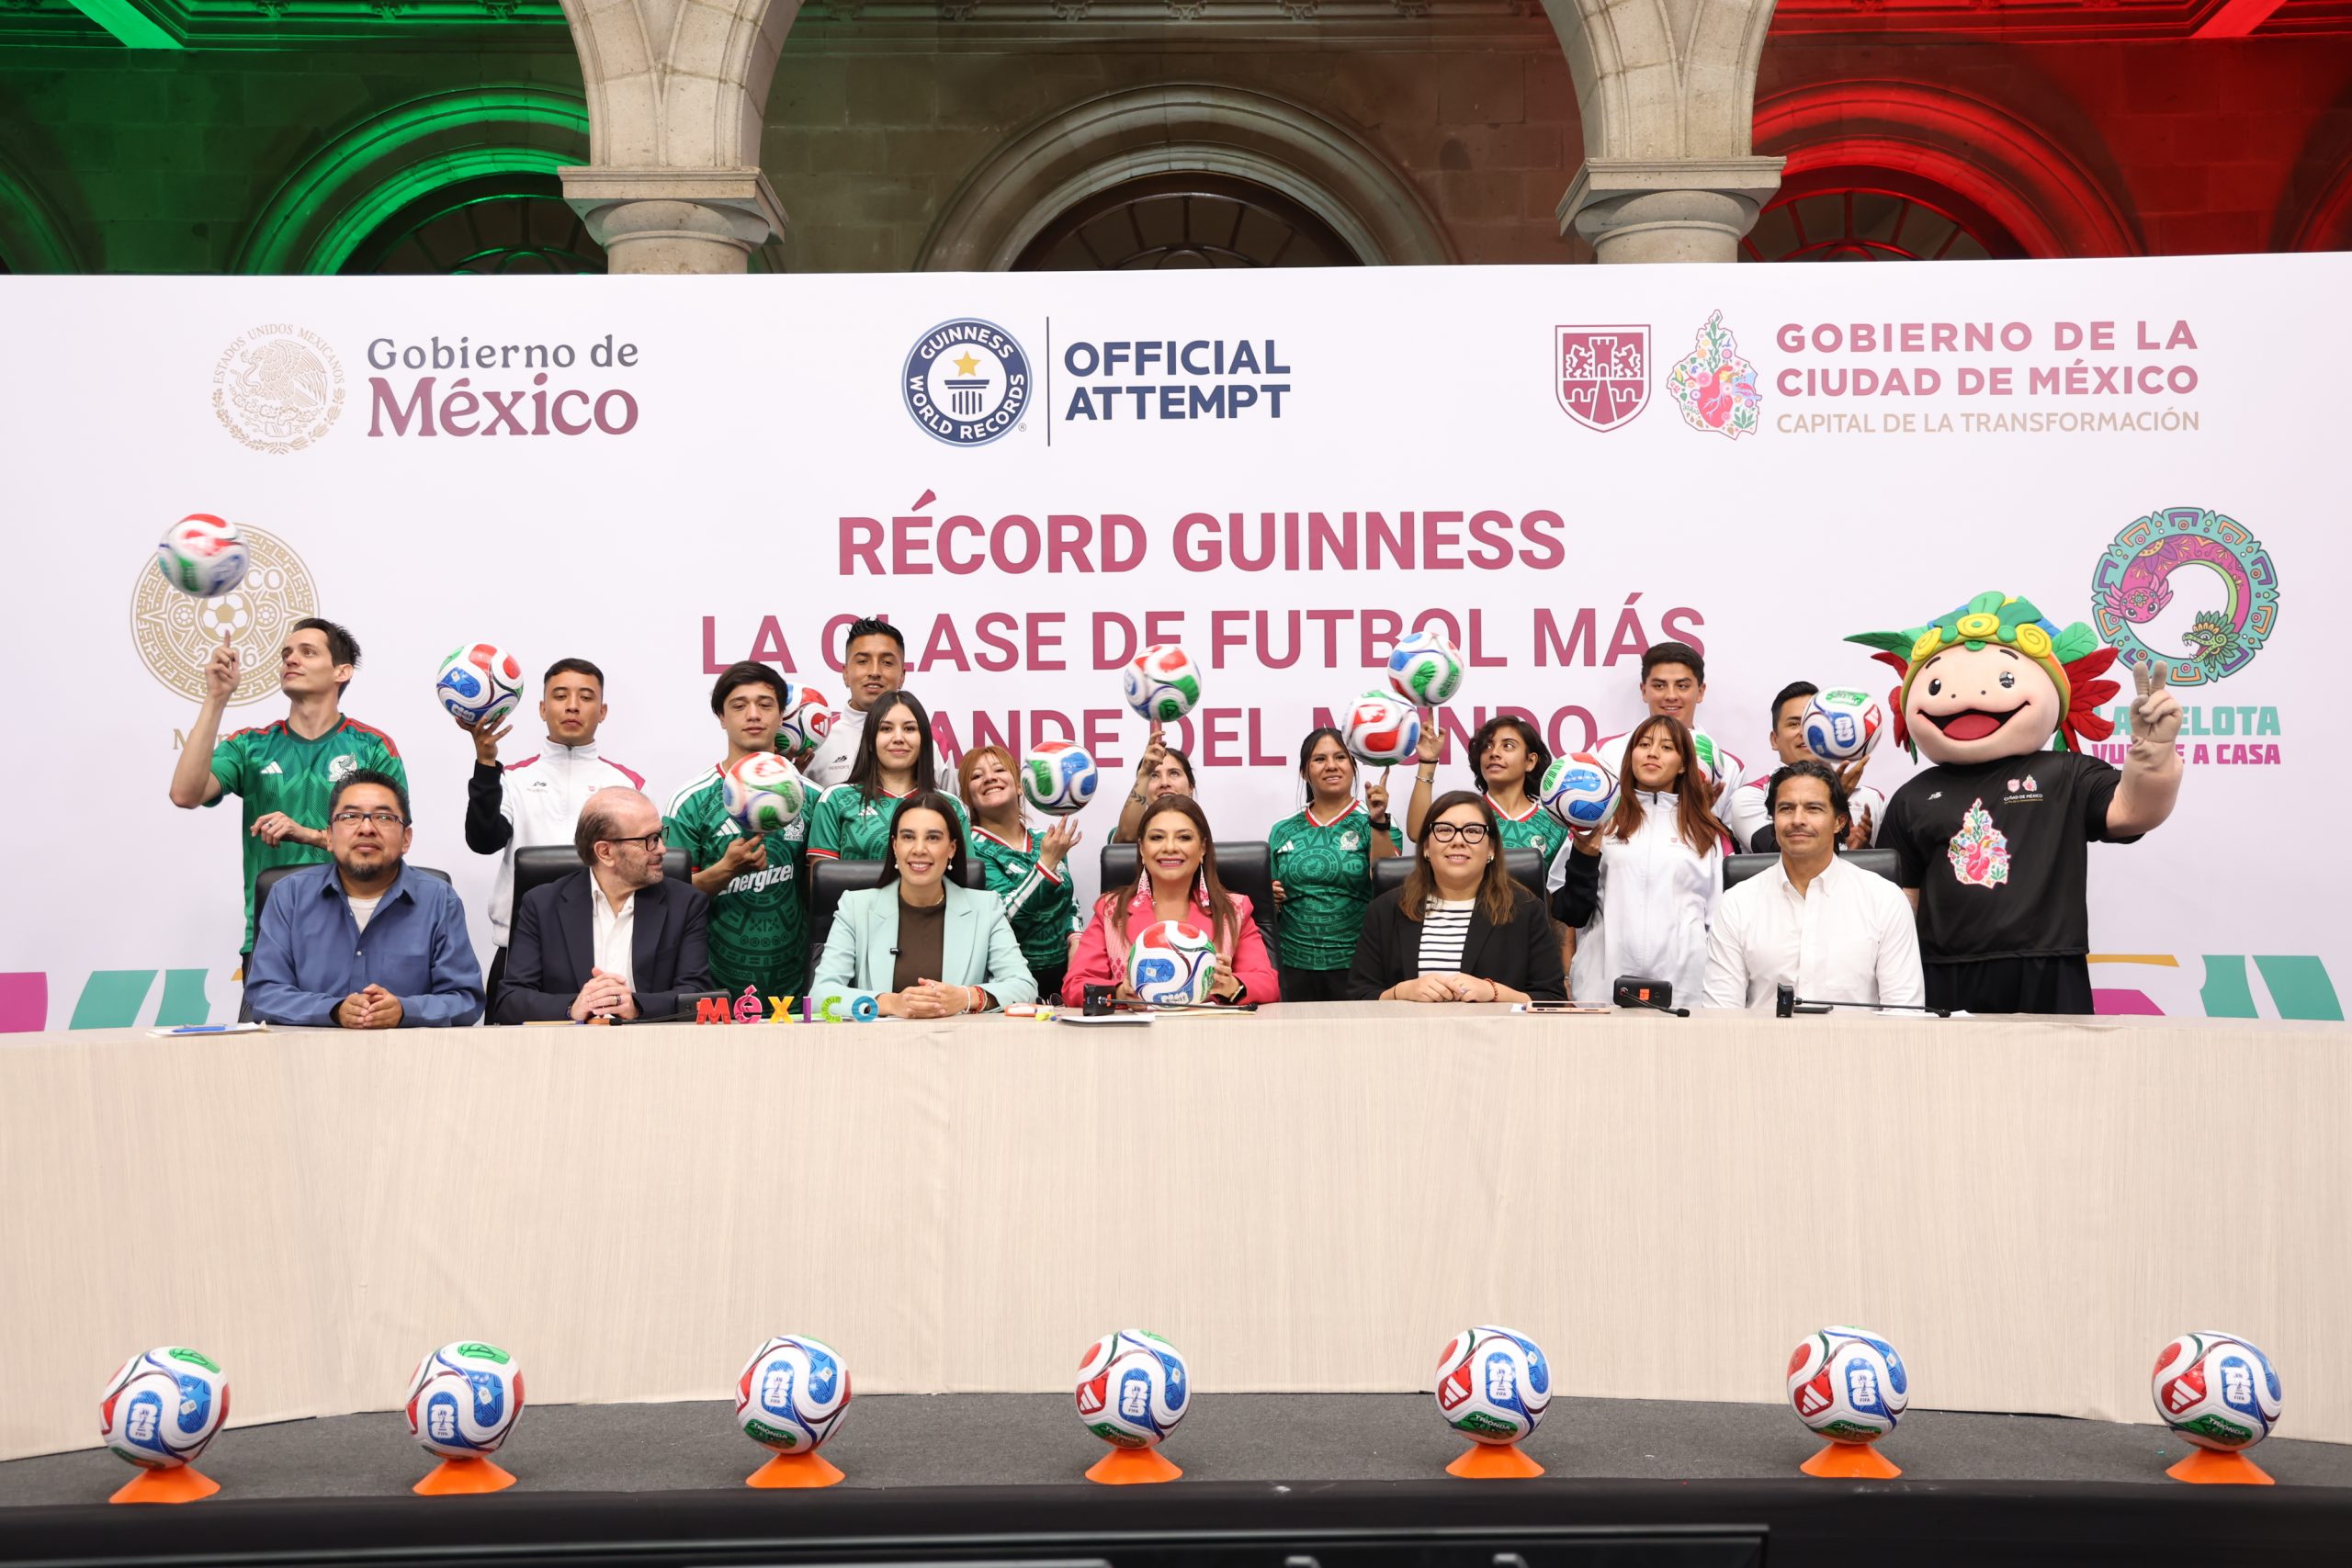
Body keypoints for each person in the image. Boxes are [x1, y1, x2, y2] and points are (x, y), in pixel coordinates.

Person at [1849, 590, 2179, 1015]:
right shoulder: (1913, 795)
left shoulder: (2067, 773)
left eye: (2006, 680)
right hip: (1943, 972)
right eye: (1936, 684)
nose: (1968, 697)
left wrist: (2152, 754)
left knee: (2058, 1079)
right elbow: (1901, 902)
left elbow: (2133, 813)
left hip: (2048, 967)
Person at [167, 616, 405, 968]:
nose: (291, 660)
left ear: (342, 672)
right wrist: (217, 698)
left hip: (359, 932)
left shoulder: (372, 746)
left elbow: (392, 841)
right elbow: (185, 794)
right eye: (287, 654)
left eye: (307, 652)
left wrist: (306, 834)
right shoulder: (250, 746)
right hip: (272, 933)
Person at [461, 657, 645, 999]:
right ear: (543, 709)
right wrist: (485, 763)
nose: (572, 706)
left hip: (604, 954)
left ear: (602, 711)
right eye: (560, 696)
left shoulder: (624, 784)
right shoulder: (511, 779)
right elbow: (483, 841)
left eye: (586, 697)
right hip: (520, 952)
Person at [244, 770, 482, 1028]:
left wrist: (405, 1010)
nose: (366, 828)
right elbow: (264, 995)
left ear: (406, 839)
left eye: (383, 817)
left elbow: (465, 998)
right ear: (329, 836)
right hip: (309, 1060)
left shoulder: (438, 899)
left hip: (410, 1061)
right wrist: (333, 1010)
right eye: (350, 816)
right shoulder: (288, 896)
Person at [1702, 761, 1923, 1011]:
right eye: (1786, 809)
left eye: (1813, 809)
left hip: (1859, 1050)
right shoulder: (1737, 903)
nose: (1798, 820)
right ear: (1773, 820)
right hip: (1762, 1049)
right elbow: (1721, 1017)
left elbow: (1904, 1014)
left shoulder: (1885, 900)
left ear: (1839, 821)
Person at [495, 787, 712, 1024]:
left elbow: (698, 995)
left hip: (651, 1047)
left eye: (660, 835)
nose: (662, 849)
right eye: (649, 840)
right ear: (605, 852)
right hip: (568, 1049)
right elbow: (511, 1001)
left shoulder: (686, 903)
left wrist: (637, 1006)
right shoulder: (542, 905)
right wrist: (574, 1006)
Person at [809, 793, 1037, 1015]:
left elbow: (1024, 986)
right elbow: (822, 995)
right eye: (908, 837)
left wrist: (966, 998)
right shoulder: (855, 907)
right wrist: (889, 1003)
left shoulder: (986, 907)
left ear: (952, 849)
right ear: (895, 846)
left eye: (933, 838)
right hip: (878, 1047)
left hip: (958, 1046)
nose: (919, 849)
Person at [664, 662, 810, 1005]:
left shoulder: (813, 797)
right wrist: (725, 870)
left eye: (765, 704)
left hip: (794, 986)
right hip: (709, 986)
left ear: (781, 715)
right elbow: (668, 899)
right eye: (739, 705)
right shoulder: (689, 800)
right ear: (721, 717)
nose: (753, 714)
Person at [1555, 716, 1725, 1006]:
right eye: (1643, 744)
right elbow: (1569, 911)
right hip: (1602, 985)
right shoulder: (1600, 819)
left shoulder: (1705, 830)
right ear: (1630, 755)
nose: (1652, 753)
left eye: (1667, 747)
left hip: (1683, 988)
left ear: (1684, 764)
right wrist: (1584, 858)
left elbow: (1715, 916)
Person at [1349, 790, 1566, 1003]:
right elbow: (1358, 996)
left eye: (1472, 831)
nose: (1458, 840)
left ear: (1491, 849)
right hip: (1409, 1037)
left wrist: (1494, 992)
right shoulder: (1386, 910)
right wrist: (1401, 992)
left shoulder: (1525, 909)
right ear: (1426, 846)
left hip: (1496, 1036)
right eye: (1444, 830)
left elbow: (1552, 999)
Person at [1064, 795, 1277, 1006]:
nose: (1170, 847)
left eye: (1184, 837)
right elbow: (1075, 986)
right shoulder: (1111, 910)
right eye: (1157, 837)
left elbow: (1268, 983)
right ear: (1141, 848)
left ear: (1203, 848)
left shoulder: (1234, 910)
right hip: (1132, 1037)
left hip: (1209, 1035)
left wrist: (1232, 987)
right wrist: (1120, 992)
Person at [1269, 727, 1400, 1002]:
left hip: (1360, 963)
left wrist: (1378, 823)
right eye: (1319, 759)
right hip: (1293, 964)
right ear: (1305, 772)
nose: (1331, 766)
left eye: (1340, 757)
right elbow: (1268, 901)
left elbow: (1388, 884)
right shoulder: (1282, 829)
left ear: (1353, 766)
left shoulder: (1377, 822)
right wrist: (1272, 898)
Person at [957, 745, 1081, 1001]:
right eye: (977, 776)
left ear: (1021, 784)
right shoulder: (968, 849)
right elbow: (1000, 918)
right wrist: (1045, 865)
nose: (990, 778)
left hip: (1064, 980)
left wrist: (1076, 938)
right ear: (967, 797)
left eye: (999, 770)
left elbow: (1069, 902)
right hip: (1006, 983)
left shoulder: (1044, 840)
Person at [806, 689, 968, 863]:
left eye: (909, 728)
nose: (898, 738)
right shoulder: (835, 800)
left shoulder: (951, 806)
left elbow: (967, 880)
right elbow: (823, 883)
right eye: (886, 728)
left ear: (924, 741)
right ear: (869, 741)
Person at [1726, 681, 1884, 853]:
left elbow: (1887, 868)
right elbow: (1777, 853)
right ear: (1774, 740)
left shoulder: (1872, 799)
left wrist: (1861, 850)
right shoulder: (1750, 797)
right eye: (1794, 724)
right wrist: (1836, 797)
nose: (1806, 731)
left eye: (1814, 722)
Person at [801, 617, 905, 787]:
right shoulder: (817, 745)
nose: (874, 672)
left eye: (887, 662)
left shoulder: (926, 742)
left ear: (902, 676)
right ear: (846, 673)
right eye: (863, 661)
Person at [1111, 727, 1197, 843]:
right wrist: (1145, 773)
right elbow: (1127, 837)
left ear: (1191, 787)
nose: (1164, 783)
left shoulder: (1203, 835)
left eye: (1174, 774)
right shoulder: (1128, 831)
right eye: (1154, 776)